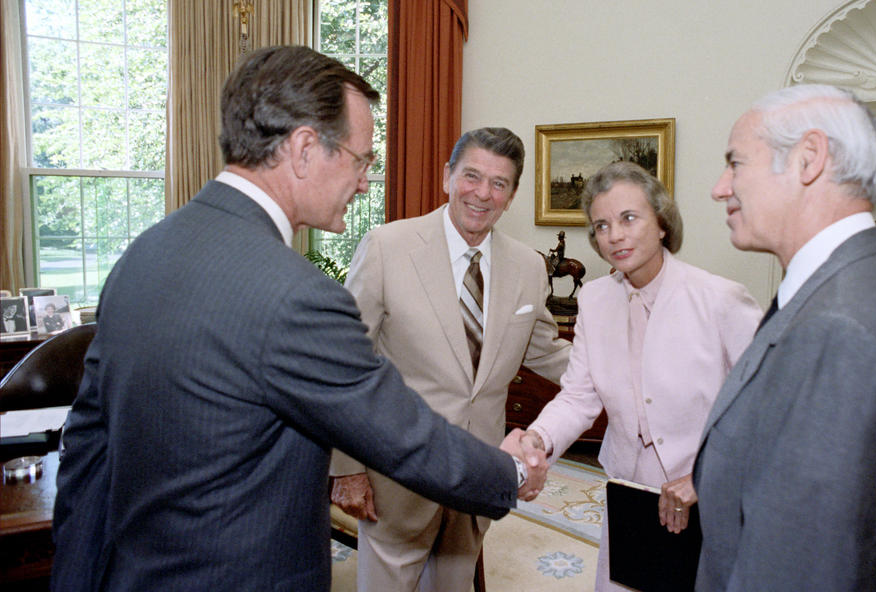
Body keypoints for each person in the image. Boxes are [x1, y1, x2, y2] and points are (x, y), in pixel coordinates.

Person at [51, 46, 544, 592]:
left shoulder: (144, 253)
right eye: (361, 161)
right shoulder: (295, 295)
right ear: (307, 149)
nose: (362, 183)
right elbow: (403, 434)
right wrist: (513, 472)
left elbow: (87, 449)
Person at [693, 84, 876, 590]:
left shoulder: (837, 329)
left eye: (736, 163)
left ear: (808, 158)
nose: (720, 187)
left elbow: (800, 567)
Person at [329, 127, 572, 591]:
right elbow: (345, 361)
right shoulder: (386, 247)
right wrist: (347, 468)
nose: (483, 194)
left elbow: (544, 349)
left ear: (512, 194)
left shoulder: (527, 265)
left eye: (499, 184)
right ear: (447, 177)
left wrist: (621, 371)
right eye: (471, 176)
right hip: (396, 474)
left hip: (478, 471)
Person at [521, 161, 761, 591]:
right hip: (628, 487)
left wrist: (704, 478)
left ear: (663, 222)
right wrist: (537, 440)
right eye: (601, 225)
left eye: (628, 218)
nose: (614, 234)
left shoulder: (720, 300)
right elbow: (578, 397)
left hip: (707, 494)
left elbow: (767, 410)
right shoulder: (594, 300)